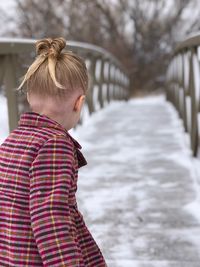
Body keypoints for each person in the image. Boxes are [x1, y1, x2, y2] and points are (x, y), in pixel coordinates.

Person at [0, 37, 107, 267]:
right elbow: (50, 220)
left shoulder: (12, 140)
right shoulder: (54, 144)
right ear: (79, 103)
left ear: (28, 96)